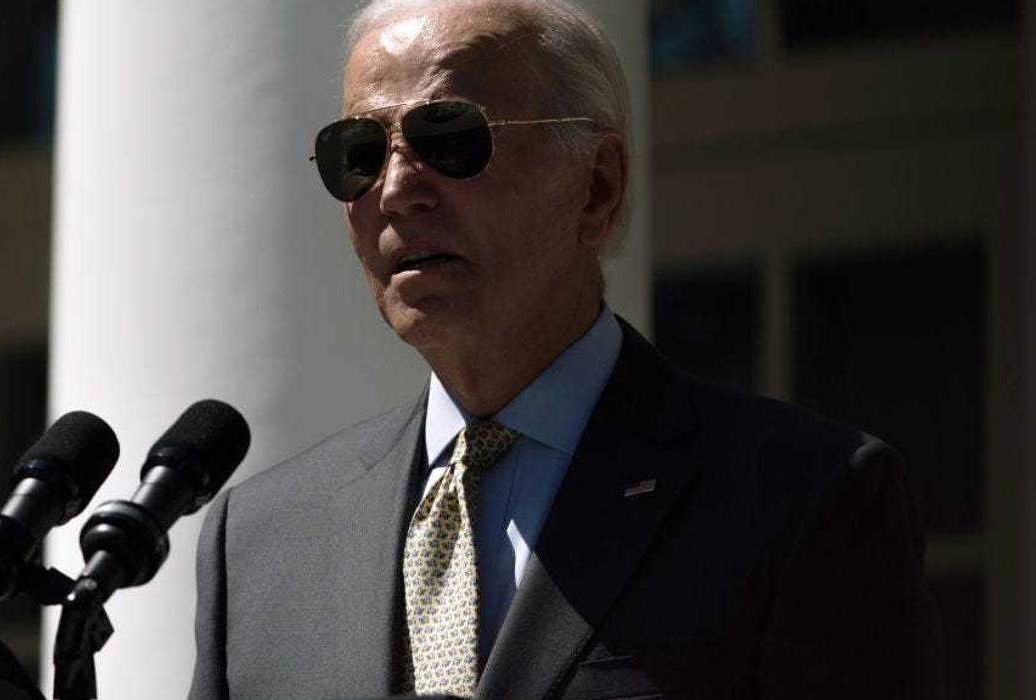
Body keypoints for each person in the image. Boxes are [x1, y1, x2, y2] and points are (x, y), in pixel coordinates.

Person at [188, 1, 942, 698]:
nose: (394, 190)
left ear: (596, 186)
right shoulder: (260, 542)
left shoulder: (800, 498)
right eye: (358, 152)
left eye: (448, 138)